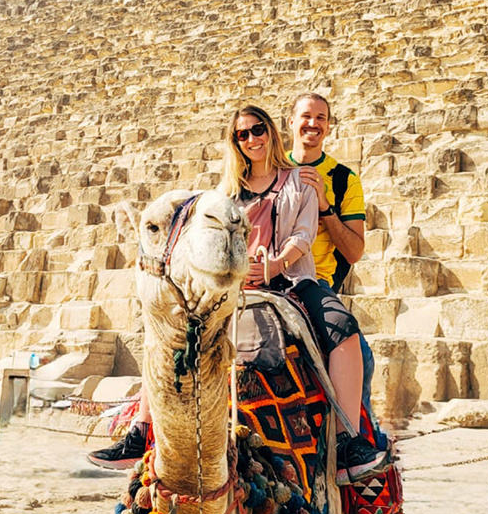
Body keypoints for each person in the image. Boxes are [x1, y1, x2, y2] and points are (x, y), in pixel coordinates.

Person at [90, 104, 388, 485]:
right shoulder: (225, 194)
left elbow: (304, 234)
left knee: (341, 327)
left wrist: (274, 265)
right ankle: (140, 431)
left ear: (272, 132)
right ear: (235, 143)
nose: (251, 139)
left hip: (291, 282)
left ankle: (348, 442)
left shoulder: (301, 181)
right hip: (236, 285)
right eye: (242, 134)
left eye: (257, 129)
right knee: (171, 329)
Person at [288, 92, 384, 454]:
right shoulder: (268, 169)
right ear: (291, 121)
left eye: (321, 118)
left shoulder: (345, 180)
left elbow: (355, 251)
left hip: (314, 282)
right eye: (306, 116)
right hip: (262, 278)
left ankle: (355, 449)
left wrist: (327, 207)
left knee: (358, 353)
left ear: (328, 126)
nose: (312, 124)